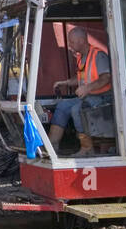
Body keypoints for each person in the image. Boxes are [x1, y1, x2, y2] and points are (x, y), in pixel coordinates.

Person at [47, 27, 112, 156]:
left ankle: (87, 148)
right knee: (62, 106)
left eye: (71, 42)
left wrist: (87, 88)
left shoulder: (99, 55)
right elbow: (81, 78)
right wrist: (65, 82)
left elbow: (106, 77)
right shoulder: (81, 57)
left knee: (77, 109)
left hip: (103, 97)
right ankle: (52, 145)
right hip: (88, 96)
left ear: (81, 41)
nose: (69, 45)